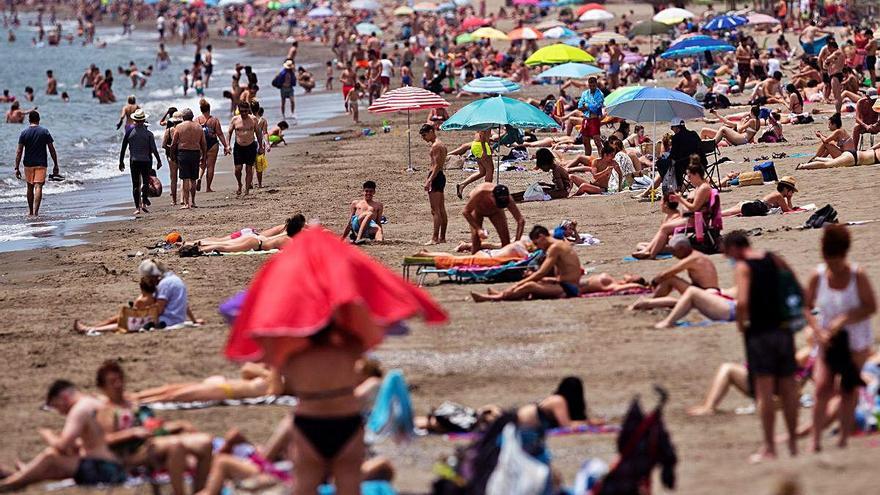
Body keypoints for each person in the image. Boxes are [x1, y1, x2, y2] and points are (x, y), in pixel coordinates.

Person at [724, 230, 800, 463]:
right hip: (783, 330)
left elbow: (743, 302)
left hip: (760, 332)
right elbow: (794, 282)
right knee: (789, 389)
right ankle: (794, 444)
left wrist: (740, 324)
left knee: (764, 392)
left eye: (728, 254)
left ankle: (769, 447)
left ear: (735, 249)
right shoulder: (773, 257)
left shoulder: (743, 266)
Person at [804, 225, 876, 451]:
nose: (832, 265)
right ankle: (814, 439)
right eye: (829, 260)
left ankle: (844, 437)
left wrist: (844, 319)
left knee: (848, 387)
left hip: (856, 340)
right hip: (828, 340)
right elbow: (805, 307)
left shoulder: (858, 275)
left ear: (844, 254)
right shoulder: (818, 275)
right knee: (822, 387)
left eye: (836, 261)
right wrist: (818, 331)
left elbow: (871, 306)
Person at [94, 361, 214, 495]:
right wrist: (132, 433)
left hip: (154, 441)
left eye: (120, 379)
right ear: (103, 387)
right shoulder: (106, 410)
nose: (118, 384)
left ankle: (199, 491)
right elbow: (106, 439)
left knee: (205, 442)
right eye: (112, 382)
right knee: (176, 445)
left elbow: (151, 425)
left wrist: (176, 425)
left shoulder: (131, 403)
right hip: (130, 453)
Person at [0, 380, 126, 491]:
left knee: (51, 457)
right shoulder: (94, 401)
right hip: (114, 465)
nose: (60, 412)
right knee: (59, 461)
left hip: (104, 470)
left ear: (64, 397)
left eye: (57, 406)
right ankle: (22, 474)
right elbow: (99, 439)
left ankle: (10, 484)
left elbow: (62, 446)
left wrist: (49, 436)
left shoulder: (79, 410)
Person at [471, 225, 582, 302]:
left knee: (529, 285)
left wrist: (516, 285)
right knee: (533, 282)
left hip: (569, 288)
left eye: (536, 243)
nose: (537, 247)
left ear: (542, 237)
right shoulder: (559, 244)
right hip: (565, 283)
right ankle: (503, 294)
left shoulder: (555, 248)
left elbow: (541, 273)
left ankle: (497, 297)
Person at [633, 159, 712, 259]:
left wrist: (680, 199)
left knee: (665, 228)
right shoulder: (700, 187)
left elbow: (694, 208)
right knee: (665, 227)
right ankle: (648, 250)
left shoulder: (703, 188)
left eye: (689, 176)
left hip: (697, 220)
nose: (688, 178)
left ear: (696, 174)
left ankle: (651, 254)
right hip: (695, 218)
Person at [630, 234, 722, 311]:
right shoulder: (697, 255)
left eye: (673, 251)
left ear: (682, 248)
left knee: (670, 279)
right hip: (707, 291)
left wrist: (653, 282)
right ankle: (653, 301)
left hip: (706, 294)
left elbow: (666, 274)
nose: (673, 254)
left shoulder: (692, 259)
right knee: (670, 280)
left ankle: (651, 302)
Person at [14, 111, 59, 217]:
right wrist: (56, 164)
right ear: (39, 119)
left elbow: (19, 151)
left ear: (29, 120)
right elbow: (52, 149)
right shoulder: (44, 132)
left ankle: (30, 212)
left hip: (28, 164)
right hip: (41, 163)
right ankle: (36, 212)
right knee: (38, 186)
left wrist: (16, 167)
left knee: (29, 187)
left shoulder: (24, 133)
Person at [119, 109, 162, 215]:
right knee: (146, 183)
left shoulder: (129, 132)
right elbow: (154, 149)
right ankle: (143, 203)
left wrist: (121, 162)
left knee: (135, 185)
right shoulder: (149, 134)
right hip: (146, 161)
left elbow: (123, 148)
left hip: (134, 161)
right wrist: (159, 160)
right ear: (143, 120)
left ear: (134, 120)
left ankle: (137, 208)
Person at [462, 183, 525, 254]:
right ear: (492, 196)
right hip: (477, 211)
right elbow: (466, 212)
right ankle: (474, 259)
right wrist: (478, 229)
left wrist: (517, 241)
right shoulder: (480, 193)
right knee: (476, 241)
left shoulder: (508, 198)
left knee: (505, 240)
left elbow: (521, 220)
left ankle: (505, 260)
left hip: (496, 212)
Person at [193, 214, 305, 254]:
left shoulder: (284, 232)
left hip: (254, 238)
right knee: (224, 247)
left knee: (224, 243)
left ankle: (194, 244)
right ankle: (198, 250)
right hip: (255, 243)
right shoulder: (288, 240)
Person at [170, 108, 206, 209]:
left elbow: (173, 143)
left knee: (185, 178)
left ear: (183, 117)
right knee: (193, 179)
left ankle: (186, 203)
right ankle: (193, 202)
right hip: (195, 153)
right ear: (192, 116)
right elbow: (203, 143)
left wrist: (172, 154)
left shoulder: (179, 127)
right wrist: (204, 156)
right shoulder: (198, 127)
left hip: (183, 153)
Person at [227, 102, 264, 196]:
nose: (243, 113)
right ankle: (239, 184)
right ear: (238, 110)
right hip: (238, 147)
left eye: (245, 111)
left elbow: (258, 133)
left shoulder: (253, 119)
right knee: (238, 169)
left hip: (251, 146)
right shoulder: (235, 119)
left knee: (249, 168)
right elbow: (229, 133)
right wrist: (227, 145)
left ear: (249, 110)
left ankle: (247, 190)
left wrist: (261, 146)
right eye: (241, 111)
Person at [419, 124, 448, 245]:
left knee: (435, 210)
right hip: (440, 176)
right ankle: (442, 237)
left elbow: (436, 166)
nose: (424, 138)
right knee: (441, 209)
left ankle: (435, 238)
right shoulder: (441, 144)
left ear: (431, 131)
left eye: (425, 135)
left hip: (436, 176)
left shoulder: (436, 146)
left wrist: (429, 180)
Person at [196, 98, 229, 193]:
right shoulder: (214, 120)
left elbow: (194, 134)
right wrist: (226, 146)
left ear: (201, 109)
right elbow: (220, 134)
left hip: (201, 144)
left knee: (202, 164)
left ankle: (199, 177)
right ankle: (208, 188)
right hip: (212, 144)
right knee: (210, 166)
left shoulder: (197, 120)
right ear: (209, 109)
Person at [722, 177, 798, 217]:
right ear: (786, 189)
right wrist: (789, 199)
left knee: (723, 213)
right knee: (722, 214)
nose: (792, 193)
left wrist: (789, 199)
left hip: (752, 204)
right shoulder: (779, 196)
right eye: (792, 191)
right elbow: (788, 210)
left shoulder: (777, 194)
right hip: (753, 207)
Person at [453, 130, 494, 199]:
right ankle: (487, 192)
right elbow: (482, 136)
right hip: (481, 145)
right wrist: (484, 150)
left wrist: (488, 146)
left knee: (482, 172)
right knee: (490, 170)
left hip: (477, 145)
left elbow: (484, 136)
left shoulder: (483, 121)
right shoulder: (486, 122)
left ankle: (462, 185)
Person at [577, 77, 604, 157]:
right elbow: (579, 106)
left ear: (596, 85)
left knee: (597, 141)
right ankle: (587, 158)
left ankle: (601, 158)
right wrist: (589, 106)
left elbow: (596, 109)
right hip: (585, 119)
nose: (592, 88)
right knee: (585, 141)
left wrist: (586, 105)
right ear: (588, 85)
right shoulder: (585, 93)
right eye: (590, 86)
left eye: (593, 86)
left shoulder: (600, 94)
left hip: (594, 120)